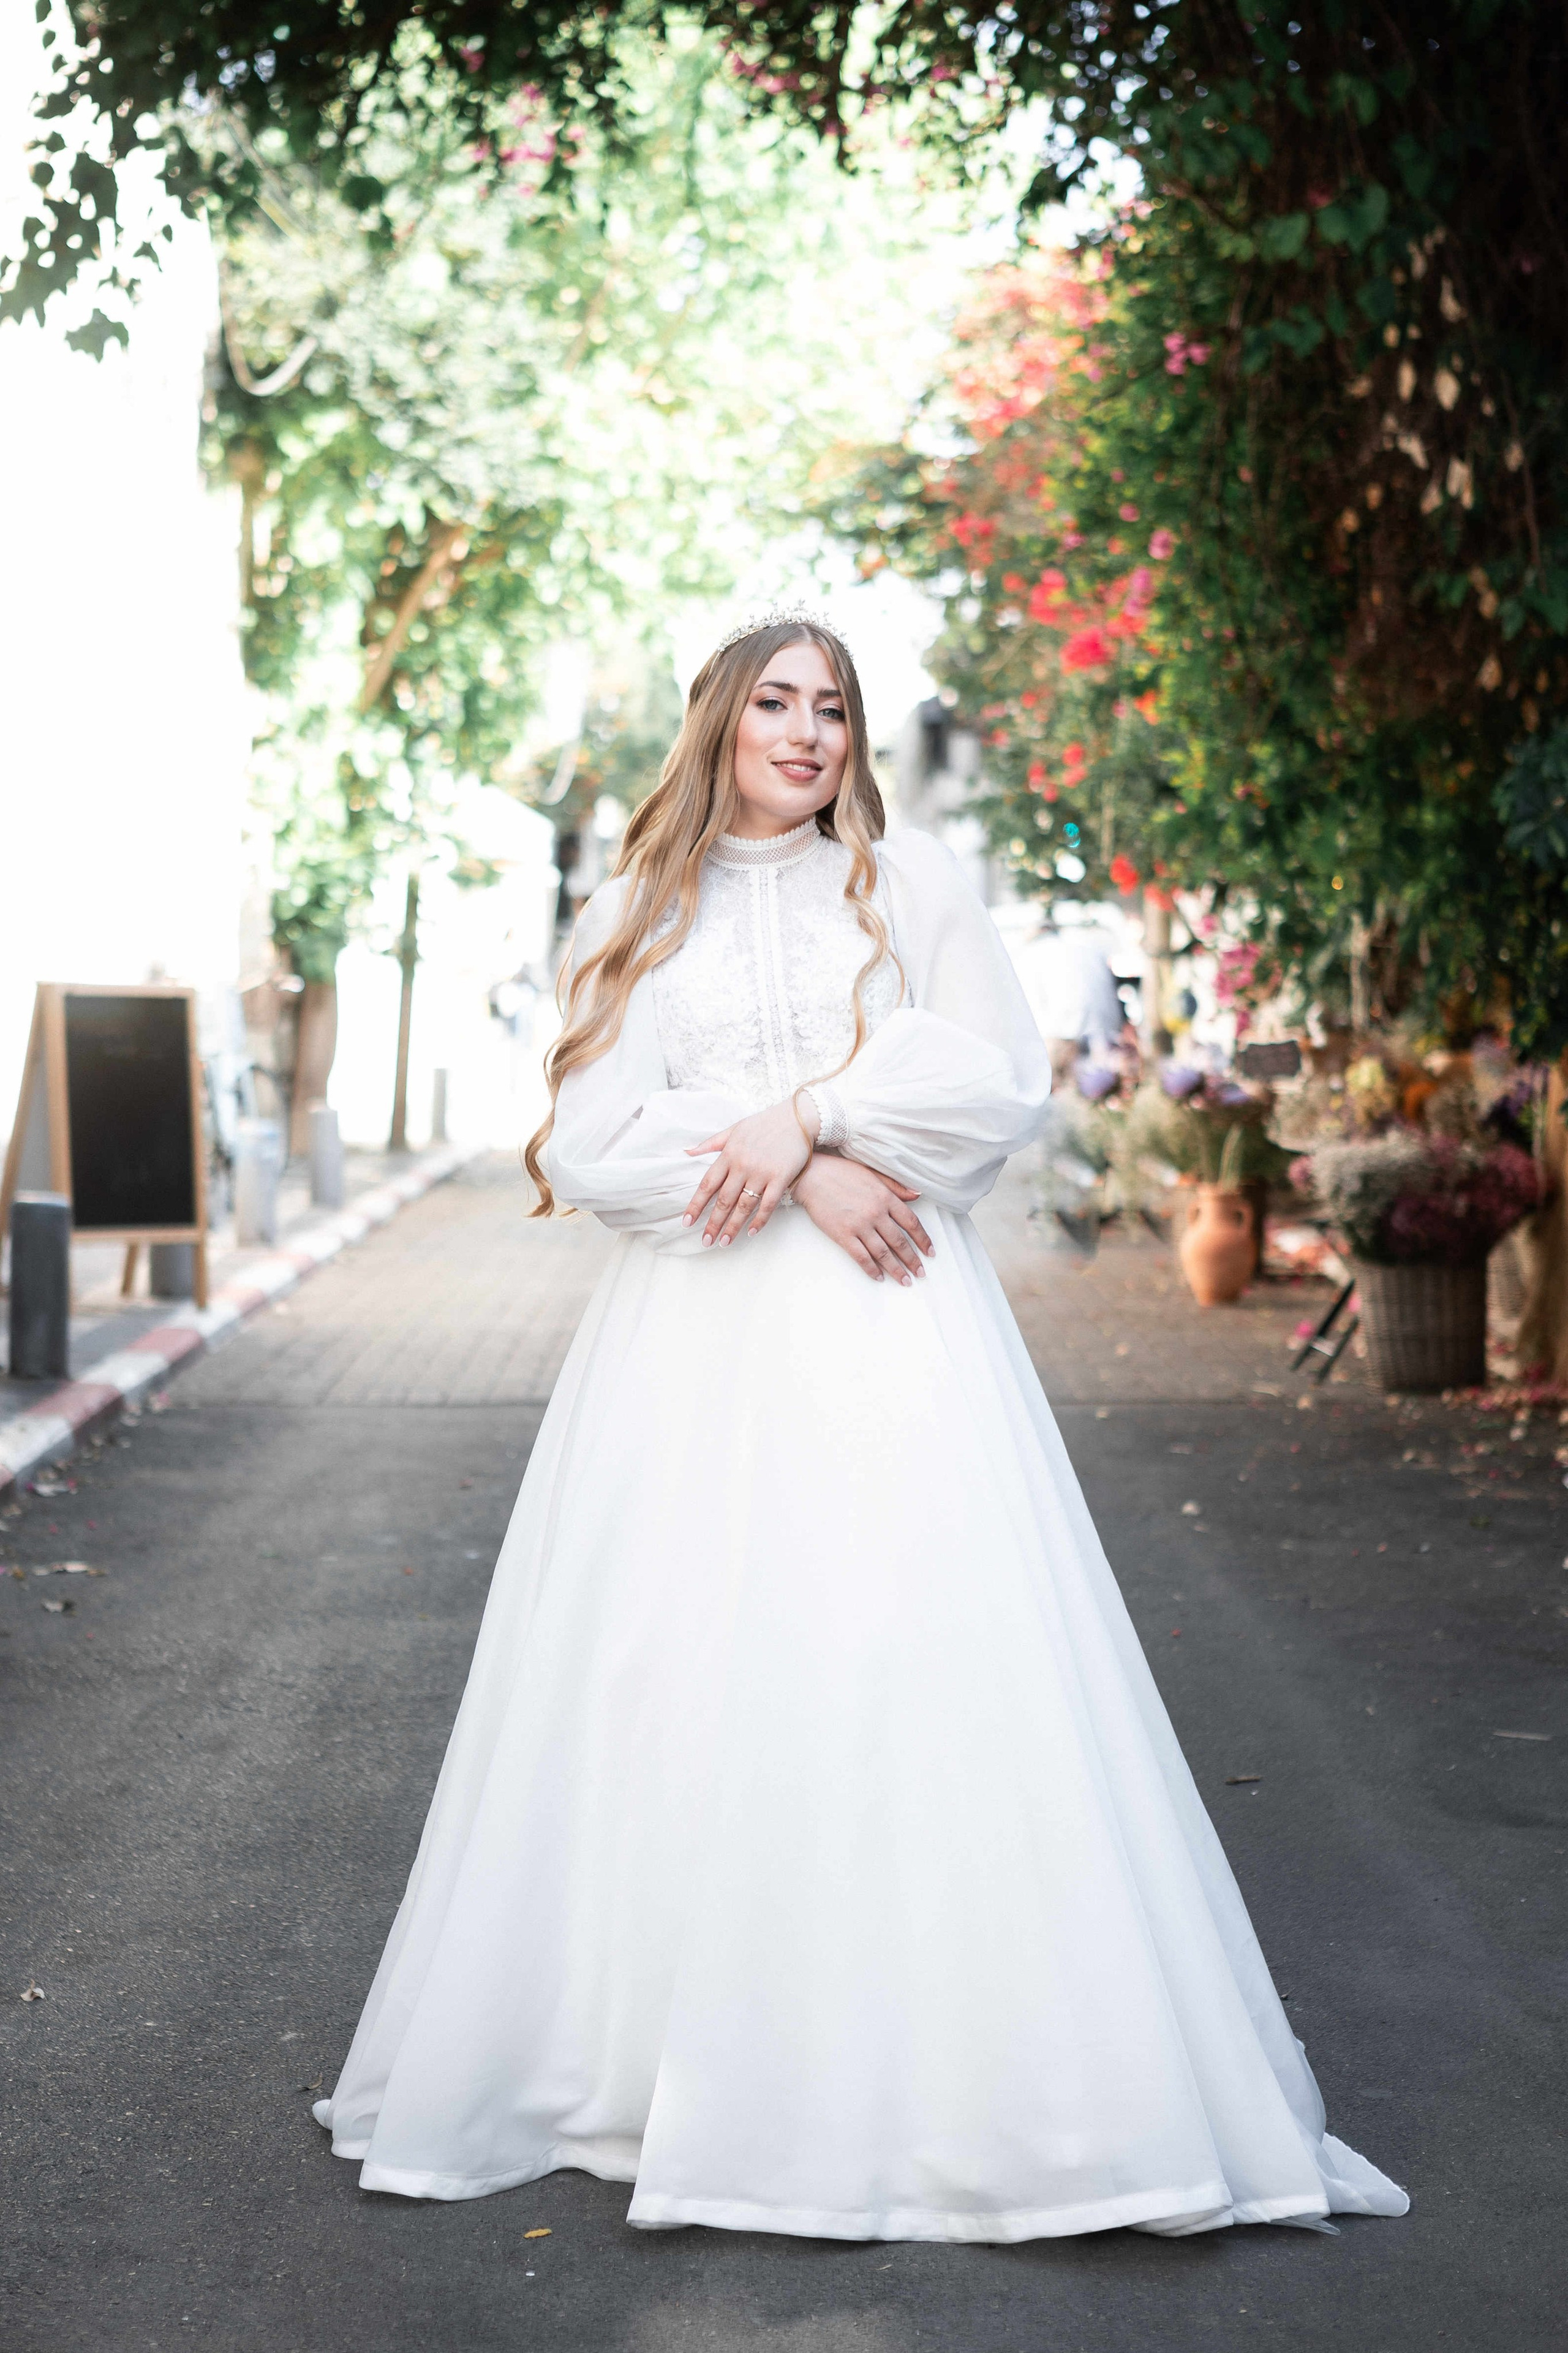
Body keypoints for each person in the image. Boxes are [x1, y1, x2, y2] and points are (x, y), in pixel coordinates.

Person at [314, 612, 1408, 2242]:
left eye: (835, 707)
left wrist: (819, 1109)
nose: (810, 731)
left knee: (906, 1662)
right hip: (686, 1362)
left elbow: (992, 1086)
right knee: (675, 1676)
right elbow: (600, 1152)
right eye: (778, 702)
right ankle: (647, 2070)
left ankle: (955, 2085)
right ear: (721, 721)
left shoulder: (910, 897)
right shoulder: (637, 913)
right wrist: (790, 1163)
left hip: (898, 1349)